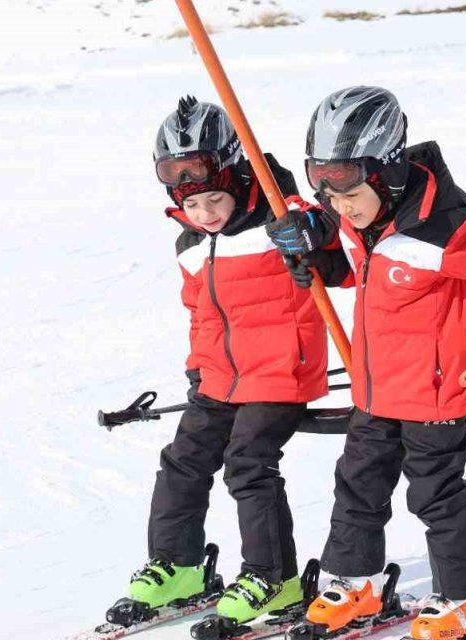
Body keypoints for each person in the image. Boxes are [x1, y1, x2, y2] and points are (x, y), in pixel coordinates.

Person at [265, 87, 466, 640]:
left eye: (349, 194)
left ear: (386, 173)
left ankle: (464, 599)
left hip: (435, 391)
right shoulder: (361, 219)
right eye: (329, 196)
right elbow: (357, 271)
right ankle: (357, 583)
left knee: (436, 495)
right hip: (375, 389)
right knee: (357, 485)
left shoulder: (445, 229)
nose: (340, 208)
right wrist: (312, 250)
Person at [124, 96, 349, 625]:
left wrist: (312, 234)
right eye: (193, 206)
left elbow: (329, 223)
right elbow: (201, 313)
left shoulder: (279, 210)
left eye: (214, 201)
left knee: (248, 463)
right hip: (221, 377)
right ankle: (179, 566)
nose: (206, 215)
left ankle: (274, 578)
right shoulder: (192, 243)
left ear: (233, 170)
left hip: (279, 372)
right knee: (183, 459)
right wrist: (199, 367)